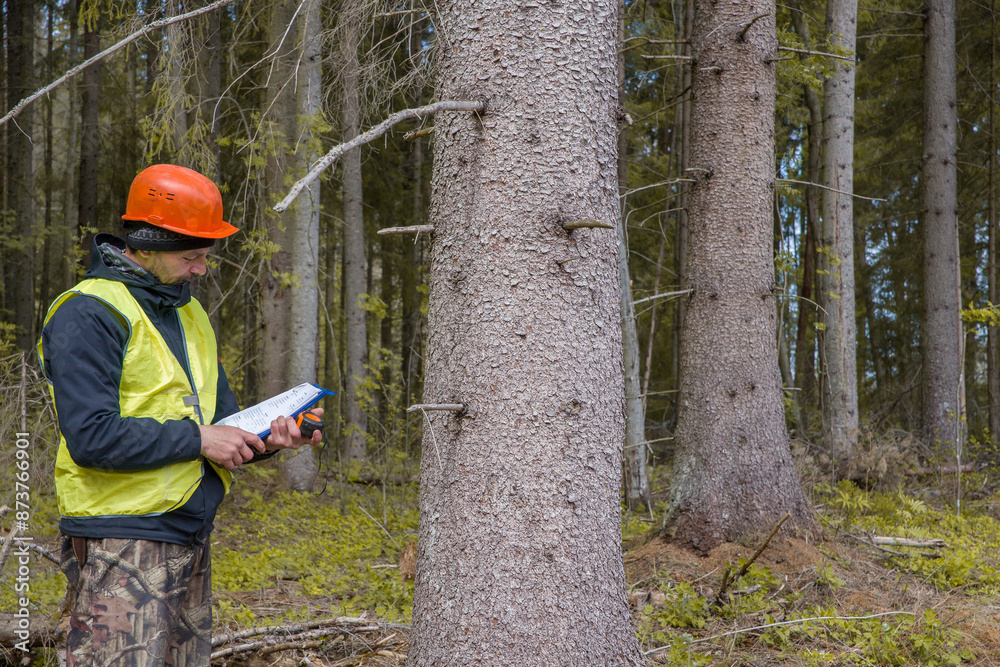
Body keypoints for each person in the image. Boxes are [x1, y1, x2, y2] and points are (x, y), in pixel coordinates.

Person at [37, 164, 323, 666]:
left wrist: (274, 439)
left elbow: (223, 429)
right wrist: (200, 439)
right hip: (120, 541)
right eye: (191, 256)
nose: (201, 269)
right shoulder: (88, 313)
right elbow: (90, 436)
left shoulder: (188, 314)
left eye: (204, 256)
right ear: (145, 244)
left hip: (187, 531)